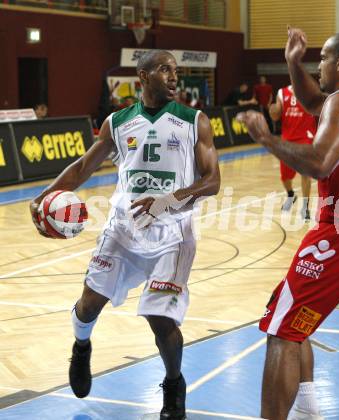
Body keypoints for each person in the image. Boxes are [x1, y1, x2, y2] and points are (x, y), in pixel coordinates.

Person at [29, 50, 220, 420]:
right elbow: (85, 166)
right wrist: (43, 197)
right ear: (143, 75)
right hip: (122, 227)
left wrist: (167, 200)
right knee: (87, 305)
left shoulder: (194, 121)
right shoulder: (117, 122)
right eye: (165, 69)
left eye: (176, 71)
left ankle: (173, 384)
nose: (173, 76)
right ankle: (82, 347)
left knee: (160, 318)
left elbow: (212, 182)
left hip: (173, 233)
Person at [238, 28, 339, 420]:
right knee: (292, 311)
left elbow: (319, 163)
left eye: (322, 58)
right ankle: (308, 407)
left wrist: (266, 137)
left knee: (281, 331)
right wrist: (292, 62)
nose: (319, 65)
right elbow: (313, 102)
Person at [269, 84, 316, 218]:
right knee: (285, 177)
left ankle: (305, 208)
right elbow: (275, 116)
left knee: (305, 174)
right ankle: (290, 195)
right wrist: (274, 111)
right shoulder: (282, 92)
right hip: (288, 140)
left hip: (305, 138)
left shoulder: (310, 90)